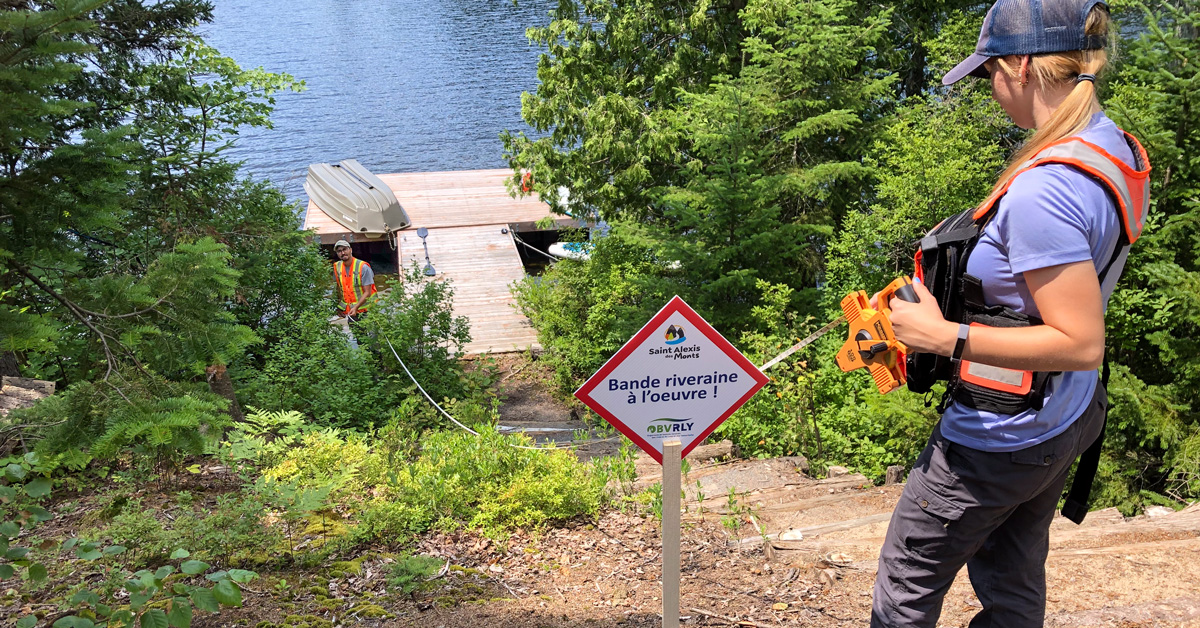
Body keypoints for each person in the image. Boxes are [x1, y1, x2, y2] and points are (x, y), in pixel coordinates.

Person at [871, 0, 1151, 626]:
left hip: (1001, 436)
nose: (989, 88)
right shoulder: (1114, 149)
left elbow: (1080, 341)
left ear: (1022, 65)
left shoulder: (1044, 190)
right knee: (1011, 573)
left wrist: (946, 337)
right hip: (1067, 413)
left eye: (989, 71)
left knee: (906, 580)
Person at [332, 239, 377, 340]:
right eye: (339, 251)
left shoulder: (363, 267)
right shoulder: (337, 266)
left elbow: (368, 292)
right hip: (352, 312)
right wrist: (339, 307)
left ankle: (377, 356)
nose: (342, 253)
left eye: (344, 249)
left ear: (350, 250)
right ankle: (364, 354)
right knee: (360, 340)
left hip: (368, 310)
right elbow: (339, 288)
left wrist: (356, 307)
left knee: (374, 341)